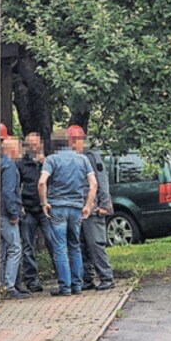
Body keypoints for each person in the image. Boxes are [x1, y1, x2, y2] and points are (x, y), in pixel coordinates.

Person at [38, 128, 97, 296]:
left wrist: (44, 203)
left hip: (57, 207)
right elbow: (93, 184)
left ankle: (65, 287)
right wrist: (87, 205)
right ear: (69, 142)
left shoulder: (51, 160)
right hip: (76, 208)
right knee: (75, 245)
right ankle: (77, 285)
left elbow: (42, 182)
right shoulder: (83, 160)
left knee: (59, 247)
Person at [70, 126, 116, 291]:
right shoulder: (73, 158)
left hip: (94, 207)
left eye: (75, 140)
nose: (73, 144)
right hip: (78, 207)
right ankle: (87, 279)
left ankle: (106, 277)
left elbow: (102, 180)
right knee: (82, 244)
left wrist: (104, 204)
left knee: (95, 243)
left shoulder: (92, 156)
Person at [17, 132, 54, 292]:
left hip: (46, 209)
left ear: (41, 144)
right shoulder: (22, 164)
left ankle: (63, 276)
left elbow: (56, 182)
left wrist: (44, 163)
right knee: (28, 245)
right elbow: (16, 186)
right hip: (28, 209)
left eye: (36, 143)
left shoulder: (50, 162)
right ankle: (32, 280)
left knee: (53, 242)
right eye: (30, 144)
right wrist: (19, 205)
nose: (34, 147)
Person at [0, 135, 30, 299]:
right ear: (12, 149)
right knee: (15, 248)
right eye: (18, 148)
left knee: (2, 250)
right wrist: (13, 213)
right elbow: (8, 192)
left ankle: (0, 284)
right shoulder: (9, 165)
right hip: (6, 213)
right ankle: (9, 286)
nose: (20, 153)